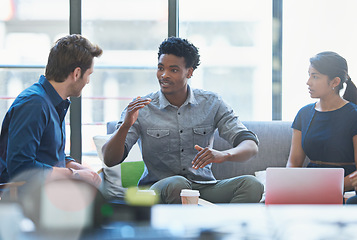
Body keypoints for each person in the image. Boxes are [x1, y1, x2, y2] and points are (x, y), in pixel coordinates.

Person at [102, 37, 263, 204]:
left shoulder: (211, 102)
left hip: (203, 187)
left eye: (173, 70)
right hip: (160, 189)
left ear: (190, 72)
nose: (164, 75)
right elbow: (109, 159)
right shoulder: (142, 107)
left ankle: (222, 227)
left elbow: (250, 145)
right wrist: (126, 125)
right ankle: (188, 228)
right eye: (160, 68)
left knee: (252, 185)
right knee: (177, 183)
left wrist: (224, 155)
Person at [0, 34, 103, 188]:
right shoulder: (34, 104)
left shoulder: (52, 102)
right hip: (25, 198)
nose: (88, 81)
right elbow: (20, 167)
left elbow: (47, 154)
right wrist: (72, 174)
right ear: (76, 73)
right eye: (89, 75)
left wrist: (74, 166)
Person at [286, 51, 357, 198]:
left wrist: (328, 188)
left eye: (315, 76)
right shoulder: (303, 114)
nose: (308, 82)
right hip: (308, 187)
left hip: (345, 190)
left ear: (335, 82)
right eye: (309, 75)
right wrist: (290, 185)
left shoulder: (353, 115)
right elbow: (293, 163)